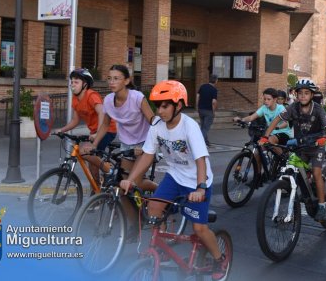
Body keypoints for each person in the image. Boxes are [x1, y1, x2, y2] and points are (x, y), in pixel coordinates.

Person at [119, 80, 227, 279]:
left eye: (165, 105)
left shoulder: (189, 127)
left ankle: (219, 259)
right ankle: (160, 247)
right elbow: (147, 155)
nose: (160, 111)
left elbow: (201, 160)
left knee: (200, 229)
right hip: (175, 177)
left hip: (197, 181)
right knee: (153, 207)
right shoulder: (157, 127)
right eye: (158, 106)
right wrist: (132, 179)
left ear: (178, 105)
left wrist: (201, 188)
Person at [261, 79, 326, 221]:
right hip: (301, 146)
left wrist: (325, 138)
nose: (303, 96)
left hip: (316, 146)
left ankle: (321, 205)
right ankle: (306, 190)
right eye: (300, 93)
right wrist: (266, 136)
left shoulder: (318, 109)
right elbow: (277, 119)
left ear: (312, 95)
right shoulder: (293, 107)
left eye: (306, 93)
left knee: (317, 172)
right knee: (294, 166)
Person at [90, 64, 156, 193]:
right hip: (126, 143)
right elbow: (105, 124)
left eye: (116, 78)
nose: (112, 82)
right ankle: (130, 211)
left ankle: (161, 191)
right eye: (109, 78)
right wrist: (95, 144)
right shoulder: (108, 100)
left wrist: (148, 145)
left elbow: (152, 121)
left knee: (134, 182)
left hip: (145, 143)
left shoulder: (137, 97)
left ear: (126, 81)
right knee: (124, 186)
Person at [54, 68, 117, 194]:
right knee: (91, 164)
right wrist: (62, 129)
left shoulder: (91, 95)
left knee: (84, 151)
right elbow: (75, 121)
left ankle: (109, 171)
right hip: (94, 132)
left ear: (85, 84)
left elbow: (101, 113)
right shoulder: (76, 100)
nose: (72, 84)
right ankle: (97, 191)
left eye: (76, 82)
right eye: (71, 82)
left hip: (107, 130)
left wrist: (97, 133)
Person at [233, 88, 291, 176]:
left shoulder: (280, 108)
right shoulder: (264, 108)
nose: (266, 101)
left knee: (270, 141)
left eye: (268, 99)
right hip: (270, 134)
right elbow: (252, 117)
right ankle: (258, 176)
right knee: (257, 152)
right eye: (264, 99)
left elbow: (285, 123)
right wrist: (241, 119)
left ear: (275, 100)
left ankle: (285, 158)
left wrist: (276, 127)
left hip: (284, 133)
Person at [197, 75, 218, 146]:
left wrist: (198, 106)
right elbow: (214, 102)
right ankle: (199, 142)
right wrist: (213, 112)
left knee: (203, 126)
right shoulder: (214, 89)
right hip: (208, 111)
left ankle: (206, 142)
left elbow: (198, 96)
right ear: (216, 81)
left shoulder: (202, 86)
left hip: (201, 109)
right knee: (205, 128)